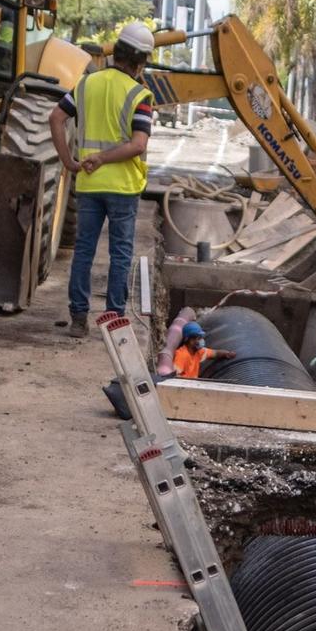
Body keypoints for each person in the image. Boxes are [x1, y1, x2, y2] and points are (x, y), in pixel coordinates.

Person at [50, 21, 156, 338]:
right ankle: (113, 324)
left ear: (117, 52)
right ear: (141, 62)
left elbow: (56, 117)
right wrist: (105, 157)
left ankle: (79, 320)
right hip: (123, 188)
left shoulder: (86, 85)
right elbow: (139, 144)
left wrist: (69, 161)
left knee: (84, 252)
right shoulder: (140, 94)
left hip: (89, 185)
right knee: (120, 255)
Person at [171, 320, 236, 380]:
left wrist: (227, 354)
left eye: (201, 338)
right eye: (199, 338)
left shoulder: (199, 352)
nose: (201, 340)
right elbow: (175, 376)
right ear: (191, 340)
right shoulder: (182, 355)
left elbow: (215, 353)